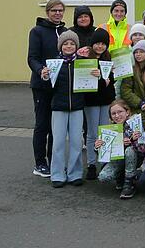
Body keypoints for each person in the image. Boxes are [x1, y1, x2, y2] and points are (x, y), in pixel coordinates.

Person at [27, 0, 67, 178]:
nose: (57, 13)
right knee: (42, 125)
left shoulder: (65, 32)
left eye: (60, 11)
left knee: (56, 127)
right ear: (47, 12)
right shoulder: (37, 32)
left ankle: (54, 162)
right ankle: (40, 163)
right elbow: (32, 58)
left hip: (59, 87)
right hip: (42, 86)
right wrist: (40, 69)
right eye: (54, 11)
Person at [48, 30, 85, 188]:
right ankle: (57, 174)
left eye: (72, 43)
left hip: (77, 107)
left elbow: (89, 86)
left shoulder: (83, 63)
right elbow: (48, 88)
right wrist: (44, 76)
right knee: (58, 143)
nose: (69, 46)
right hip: (59, 107)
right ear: (60, 46)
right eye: (65, 43)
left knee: (77, 142)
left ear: (76, 46)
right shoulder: (53, 64)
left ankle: (75, 173)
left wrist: (95, 75)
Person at [83, 28, 116, 180]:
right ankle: (91, 164)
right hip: (91, 101)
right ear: (92, 44)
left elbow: (111, 81)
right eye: (97, 43)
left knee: (104, 131)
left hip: (106, 101)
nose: (100, 47)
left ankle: (103, 161)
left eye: (103, 44)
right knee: (92, 133)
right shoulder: (85, 60)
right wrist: (102, 80)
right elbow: (86, 81)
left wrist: (108, 79)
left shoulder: (108, 59)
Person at [94, 100, 142, 199]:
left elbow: (144, 148)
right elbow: (102, 153)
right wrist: (97, 146)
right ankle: (121, 177)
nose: (117, 115)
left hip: (135, 159)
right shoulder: (108, 129)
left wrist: (133, 140)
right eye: (113, 113)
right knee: (103, 177)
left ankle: (129, 181)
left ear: (127, 112)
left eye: (120, 112)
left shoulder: (135, 125)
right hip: (117, 160)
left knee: (130, 151)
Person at [120, 40, 145, 121]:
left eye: (141, 52)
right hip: (135, 109)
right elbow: (125, 90)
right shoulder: (130, 70)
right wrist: (140, 103)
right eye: (136, 52)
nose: (138, 54)